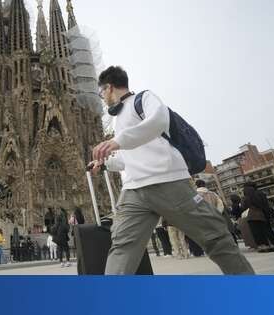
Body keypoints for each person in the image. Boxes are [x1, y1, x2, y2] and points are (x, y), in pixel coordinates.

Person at [90, 66, 254, 274]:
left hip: (167, 183)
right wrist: (105, 163)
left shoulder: (144, 98)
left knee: (215, 238)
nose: (102, 98)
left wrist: (116, 141)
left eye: (101, 93)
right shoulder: (118, 119)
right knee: (122, 245)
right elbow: (128, 158)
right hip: (134, 190)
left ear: (109, 87)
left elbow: (158, 121)